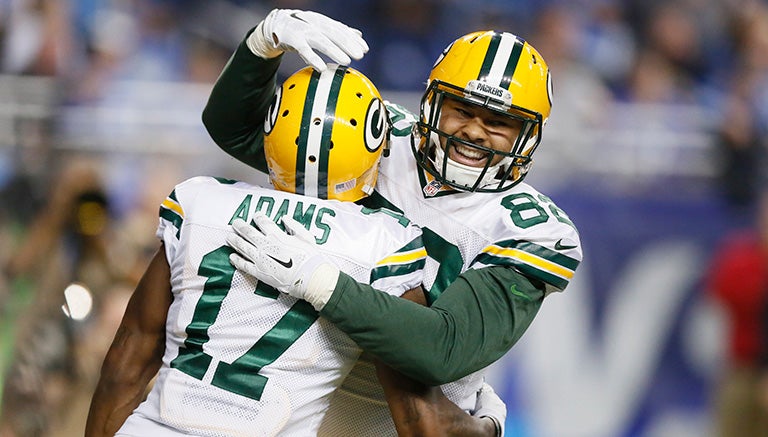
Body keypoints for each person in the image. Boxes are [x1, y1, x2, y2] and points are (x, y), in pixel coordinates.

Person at [202, 7, 581, 434]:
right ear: (431, 101)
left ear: (527, 136)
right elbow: (236, 130)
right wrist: (260, 48)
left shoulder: (534, 229)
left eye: (498, 123)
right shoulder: (378, 134)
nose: (475, 132)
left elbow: (442, 349)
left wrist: (321, 281)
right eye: (462, 110)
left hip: (392, 419)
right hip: (295, 384)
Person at [85, 64, 501, 437]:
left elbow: (126, 364)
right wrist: (485, 425)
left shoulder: (201, 203)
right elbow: (419, 421)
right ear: (374, 143)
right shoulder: (387, 244)